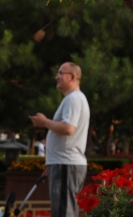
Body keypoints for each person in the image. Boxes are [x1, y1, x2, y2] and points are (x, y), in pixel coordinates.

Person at [30, 62, 91, 217]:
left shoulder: (73, 99)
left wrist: (44, 122)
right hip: (63, 163)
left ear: (72, 77)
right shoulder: (73, 98)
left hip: (66, 164)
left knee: (64, 212)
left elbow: (68, 128)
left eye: (60, 73)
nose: (56, 77)